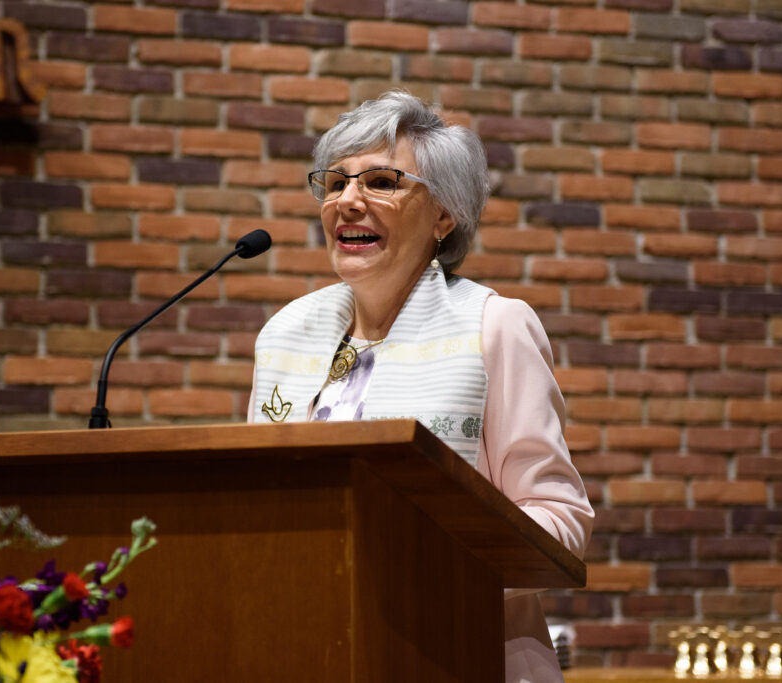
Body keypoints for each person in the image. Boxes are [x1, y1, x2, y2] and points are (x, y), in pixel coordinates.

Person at [247, 91, 593, 683]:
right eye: (336, 183)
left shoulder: (494, 325)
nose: (347, 202)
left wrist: (424, 560)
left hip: (464, 651)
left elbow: (560, 523)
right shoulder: (287, 335)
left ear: (443, 215)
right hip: (315, 648)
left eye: (381, 181)